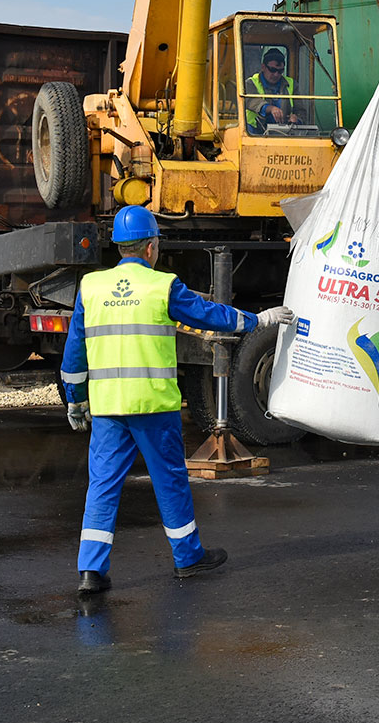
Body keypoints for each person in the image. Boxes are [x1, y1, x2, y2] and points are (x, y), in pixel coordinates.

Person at [59, 205, 293, 594]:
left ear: (119, 247)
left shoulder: (92, 288)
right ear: (151, 247)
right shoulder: (162, 287)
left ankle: (90, 571)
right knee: (169, 482)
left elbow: (74, 356)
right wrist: (260, 320)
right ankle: (187, 558)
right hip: (153, 406)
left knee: (101, 485)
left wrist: (76, 400)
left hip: (108, 410)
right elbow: (211, 315)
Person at [244, 46, 299, 133]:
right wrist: (270, 108)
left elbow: (302, 111)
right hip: (253, 132)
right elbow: (251, 101)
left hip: (284, 133)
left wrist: (296, 119)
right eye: (272, 70)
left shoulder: (292, 84)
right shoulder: (251, 83)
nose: (276, 74)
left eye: (280, 71)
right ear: (263, 67)